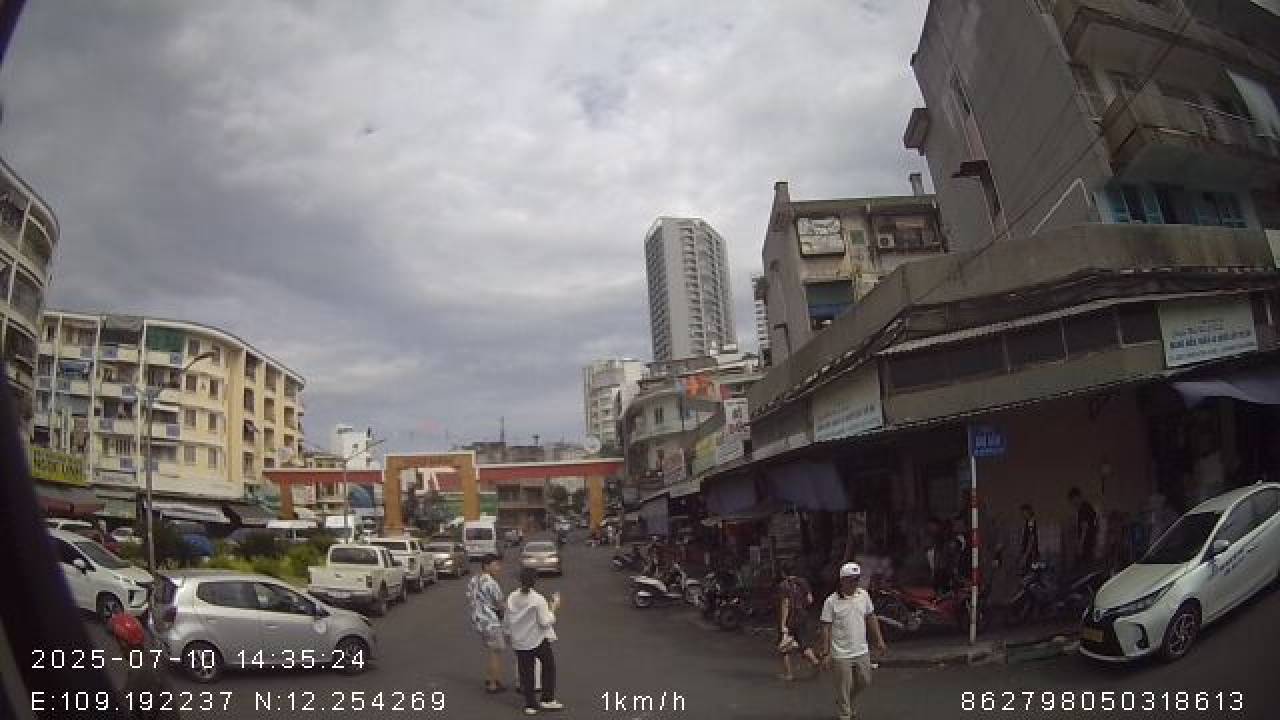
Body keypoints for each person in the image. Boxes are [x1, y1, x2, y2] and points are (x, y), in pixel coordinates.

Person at [819, 562, 887, 720]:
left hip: (861, 649)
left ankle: (845, 701)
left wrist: (879, 640)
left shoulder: (863, 595)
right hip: (841, 652)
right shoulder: (831, 601)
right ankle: (845, 713)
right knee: (844, 686)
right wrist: (826, 652)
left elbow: (871, 617)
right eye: (851, 580)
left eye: (857, 579)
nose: (855, 583)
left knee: (865, 680)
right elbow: (826, 627)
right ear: (842, 580)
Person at [506, 567, 564, 715]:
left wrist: (507, 634)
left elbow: (507, 619)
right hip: (537, 640)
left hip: (520, 641)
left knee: (526, 673)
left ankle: (530, 705)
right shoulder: (538, 599)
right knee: (549, 667)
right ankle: (547, 699)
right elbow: (545, 622)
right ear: (535, 581)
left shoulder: (512, 597)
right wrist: (553, 608)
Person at [108, 612, 181, 719]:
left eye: (118, 641)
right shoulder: (150, 658)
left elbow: (124, 704)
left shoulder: (140, 671)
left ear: (123, 644)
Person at [467, 554, 507, 693]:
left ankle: (491, 678)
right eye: (495, 565)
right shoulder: (491, 583)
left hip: (478, 620)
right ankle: (493, 684)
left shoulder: (474, 579)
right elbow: (501, 603)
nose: (498, 568)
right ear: (486, 566)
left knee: (491, 650)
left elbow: (470, 597)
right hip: (491, 621)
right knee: (495, 652)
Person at [776, 563, 821, 681]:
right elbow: (810, 600)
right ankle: (815, 661)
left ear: (783, 573)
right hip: (802, 616)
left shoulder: (784, 585)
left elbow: (785, 604)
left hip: (791, 618)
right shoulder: (803, 582)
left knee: (784, 647)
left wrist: (783, 623)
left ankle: (789, 674)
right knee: (803, 643)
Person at [1068, 487, 1098, 571]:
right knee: (1087, 565)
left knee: (1083, 566)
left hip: (1086, 542)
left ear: (1077, 497)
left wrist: (1080, 544)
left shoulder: (1083, 509)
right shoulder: (1088, 507)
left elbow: (1084, 527)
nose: (1073, 503)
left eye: (1073, 500)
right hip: (1090, 541)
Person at [1018, 504, 1040, 573]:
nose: (1023, 515)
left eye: (1024, 513)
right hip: (1031, 554)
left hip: (1031, 554)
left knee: (1032, 572)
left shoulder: (1031, 522)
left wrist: (1025, 555)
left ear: (1029, 512)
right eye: (1022, 513)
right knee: (1033, 572)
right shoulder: (1029, 522)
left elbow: (1031, 539)